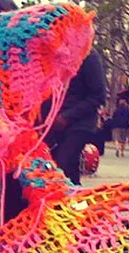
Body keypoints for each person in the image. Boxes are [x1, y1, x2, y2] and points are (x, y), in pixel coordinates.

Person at [42, 47, 107, 185]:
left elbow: (98, 96)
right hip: (51, 124)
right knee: (51, 169)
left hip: (78, 124)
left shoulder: (88, 55)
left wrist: (67, 117)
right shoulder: (52, 55)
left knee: (62, 166)